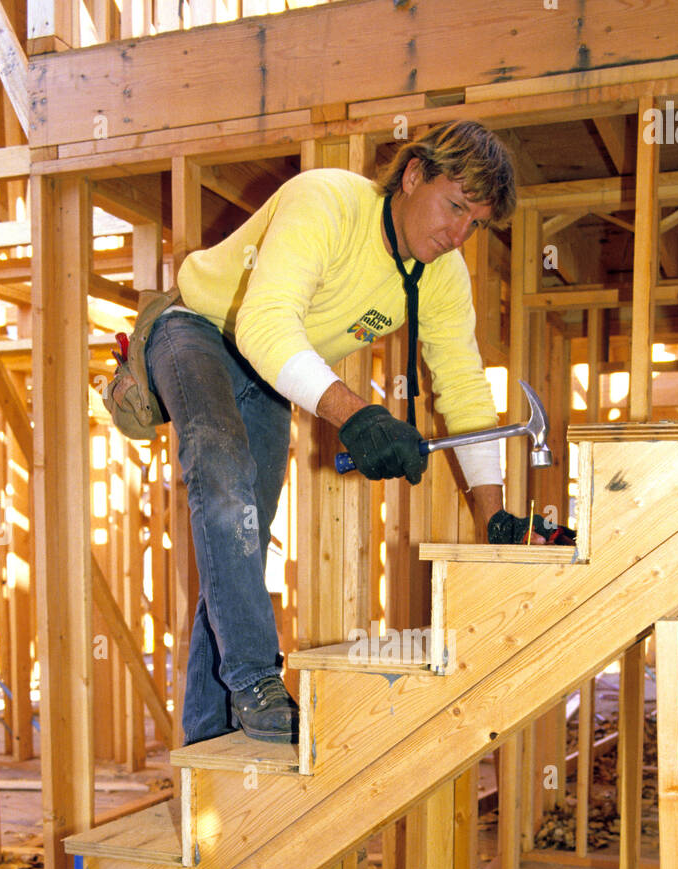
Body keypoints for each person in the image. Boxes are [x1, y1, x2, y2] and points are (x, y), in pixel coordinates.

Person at [145, 120, 570, 748]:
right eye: (455, 207)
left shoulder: (441, 276)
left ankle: (209, 737)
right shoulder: (326, 201)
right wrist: (359, 415)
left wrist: (495, 515)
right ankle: (258, 680)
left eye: (474, 223)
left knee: (241, 535)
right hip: (196, 329)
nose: (458, 235)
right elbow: (264, 324)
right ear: (413, 174)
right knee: (222, 474)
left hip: (267, 372)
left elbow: (465, 389)